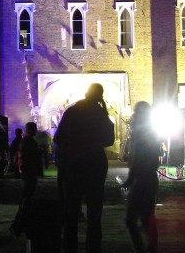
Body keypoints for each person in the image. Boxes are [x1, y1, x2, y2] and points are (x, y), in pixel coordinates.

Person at [53, 83, 115, 253]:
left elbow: (57, 139)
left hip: (73, 165)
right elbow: (109, 139)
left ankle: (69, 247)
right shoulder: (100, 113)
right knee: (95, 212)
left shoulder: (72, 111)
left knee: (71, 210)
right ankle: (93, 247)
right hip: (94, 164)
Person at [122, 101, 158, 253]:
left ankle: (143, 249)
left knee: (132, 219)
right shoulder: (152, 132)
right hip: (149, 178)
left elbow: (137, 158)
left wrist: (130, 179)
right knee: (146, 217)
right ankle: (150, 248)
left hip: (142, 179)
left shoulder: (139, 133)